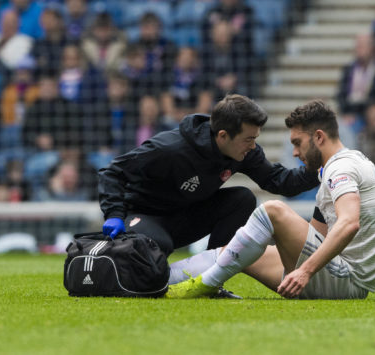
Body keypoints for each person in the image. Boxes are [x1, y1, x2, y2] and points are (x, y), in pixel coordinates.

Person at [165, 100, 375, 299]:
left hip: (347, 280)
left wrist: (304, 271)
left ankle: (207, 284)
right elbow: (315, 236)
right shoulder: (344, 163)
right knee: (238, 249)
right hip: (339, 273)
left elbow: (350, 222)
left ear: (318, 137)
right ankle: (156, 281)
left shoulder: (341, 168)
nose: (295, 153)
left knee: (273, 210)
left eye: (297, 143)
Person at [98, 94, 320, 257]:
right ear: (223, 136)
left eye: (255, 138)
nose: (253, 146)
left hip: (182, 218)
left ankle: (210, 276)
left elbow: (280, 181)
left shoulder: (244, 152)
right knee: (158, 246)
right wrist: (114, 214)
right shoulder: (170, 148)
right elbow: (113, 172)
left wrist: (319, 168)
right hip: (141, 216)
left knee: (243, 199)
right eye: (248, 139)